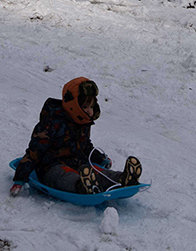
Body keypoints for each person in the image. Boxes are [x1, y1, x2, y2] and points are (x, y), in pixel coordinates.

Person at [10, 77, 142, 197]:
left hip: (78, 164)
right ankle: (82, 186)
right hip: (51, 167)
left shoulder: (82, 121)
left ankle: (122, 179)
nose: (89, 111)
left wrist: (100, 158)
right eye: (85, 106)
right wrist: (20, 178)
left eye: (92, 106)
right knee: (64, 176)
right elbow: (34, 152)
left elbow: (85, 145)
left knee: (97, 171)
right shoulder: (51, 123)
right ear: (73, 105)